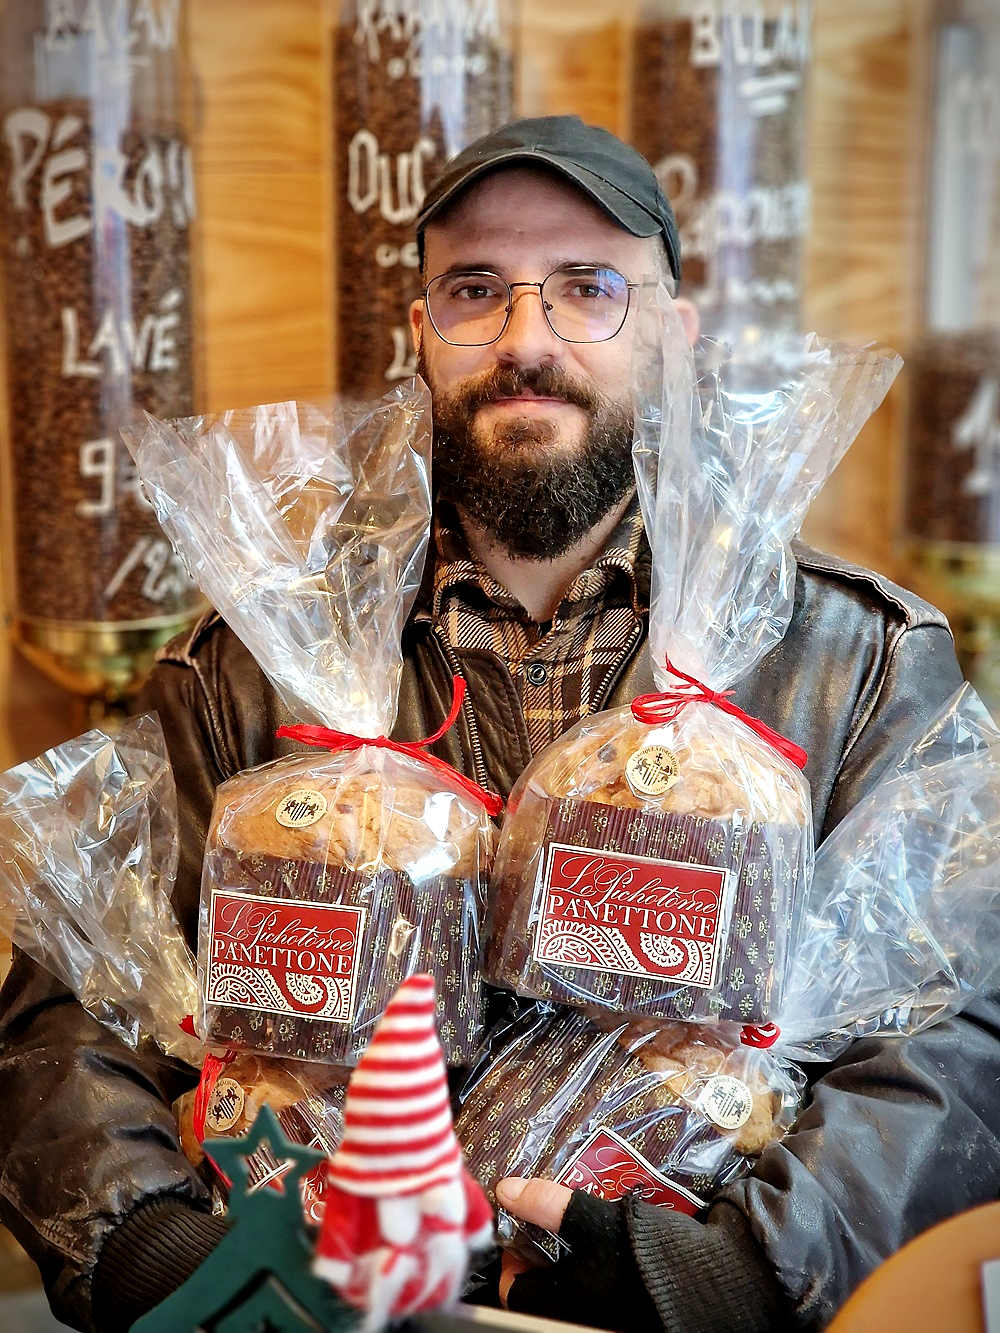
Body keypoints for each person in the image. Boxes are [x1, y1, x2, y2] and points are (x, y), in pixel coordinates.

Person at [1, 114, 999, 1333]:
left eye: (588, 288)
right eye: (475, 290)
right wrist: (151, 1249)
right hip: (316, 1302)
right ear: (421, 333)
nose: (526, 339)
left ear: (674, 336)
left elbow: (957, 1025)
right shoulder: (255, 662)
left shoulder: (852, 660)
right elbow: (72, 994)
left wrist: (744, 1272)